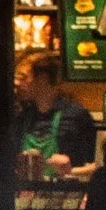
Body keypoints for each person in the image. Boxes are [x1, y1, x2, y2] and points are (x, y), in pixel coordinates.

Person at [16, 51, 97, 182]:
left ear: (43, 79)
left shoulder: (76, 116)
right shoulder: (23, 117)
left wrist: (69, 171)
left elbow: (98, 166)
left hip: (67, 197)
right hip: (26, 196)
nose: (17, 83)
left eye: (23, 77)